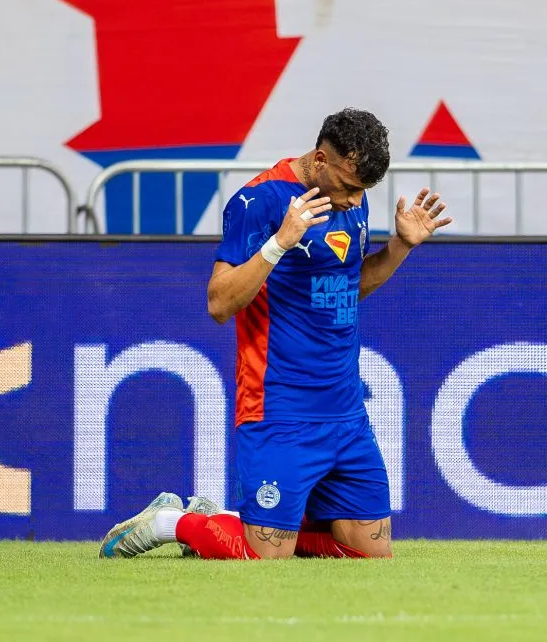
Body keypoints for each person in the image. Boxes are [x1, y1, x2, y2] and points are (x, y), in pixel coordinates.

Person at [98, 108, 452, 559]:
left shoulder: (351, 198)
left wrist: (400, 247)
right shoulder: (258, 202)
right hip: (278, 406)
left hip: (345, 411)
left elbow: (347, 286)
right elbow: (219, 303)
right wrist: (280, 242)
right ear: (321, 159)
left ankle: (227, 522)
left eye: (363, 190)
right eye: (347, 186)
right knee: (263, 557)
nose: (352, 199)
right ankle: (173, 522)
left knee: (371, 555)